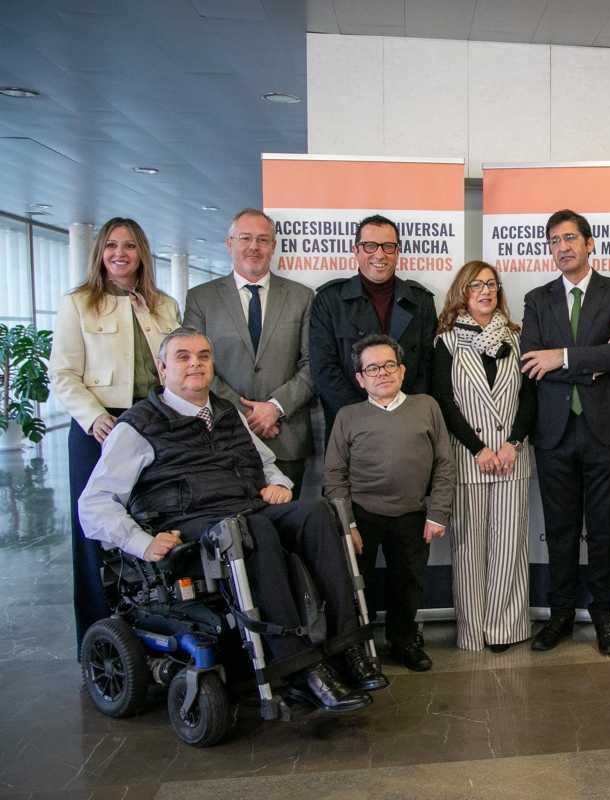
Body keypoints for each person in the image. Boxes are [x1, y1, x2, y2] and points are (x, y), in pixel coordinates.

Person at [78, 327, 386, 712]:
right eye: (184, 357)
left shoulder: (226, 414)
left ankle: (347, 647)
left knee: (317, 512)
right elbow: (94, 503)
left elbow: (267, 464)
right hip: (192, 525)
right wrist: (142, 542)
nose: (196, 364)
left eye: (203, 356)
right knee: (252, 529)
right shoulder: (137, 426)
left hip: (246, 511)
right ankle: (298, 669)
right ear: (162, 369)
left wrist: (278, 484)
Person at [49, 217, 181, 656]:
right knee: (95, 530)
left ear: (142, 252)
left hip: (151, 424)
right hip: (99, 428)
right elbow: (64, 374)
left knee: (151, 521)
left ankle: (149, 625)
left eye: (129, 246)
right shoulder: (79, 303)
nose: (119, 254)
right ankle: (97, 636)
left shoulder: (163, 305)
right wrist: (93, 418)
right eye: (111, 246)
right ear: (99, 253)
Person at [520, 209, 610, 656]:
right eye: (554, 240)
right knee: (560, 529)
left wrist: (565, 359)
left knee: (606, 529)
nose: (562, 247)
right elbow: (532, 362)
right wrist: (592, 364)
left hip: (607, 432)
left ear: (590, 243)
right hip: (554, 434)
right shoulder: (538, 299)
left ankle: (606, 616)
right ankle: (561, 615)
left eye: (570, 238)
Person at [323, 334, 455, 672]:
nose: (382, 373)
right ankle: (358, 651)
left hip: (413, 513)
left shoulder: (426, 406)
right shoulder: (347, 416)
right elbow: (334, 475)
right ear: (360, 378)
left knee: (408, 584)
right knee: (357, 586)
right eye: (372, 368)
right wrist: (347, 523)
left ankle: (404, 641)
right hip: (362, 516)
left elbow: (444, 463)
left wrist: (438, 513)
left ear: (402, 370)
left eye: (389, 365)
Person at [431, 262, 535, 653]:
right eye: (477, 285)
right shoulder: (446, 340)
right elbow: (444, 401)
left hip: (512, 456)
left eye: (491, 285)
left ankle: (505, 629)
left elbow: (529, 396)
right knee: (469, 549)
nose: (485, 291)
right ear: (462, 290)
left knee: (510, 547)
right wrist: (479, 448)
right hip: (468, 458)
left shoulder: (516, 336)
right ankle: (474, 631)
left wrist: (513, 443)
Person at [183, 209, 315, 493]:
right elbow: (195, 366)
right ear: (229, 243)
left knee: (288, 531)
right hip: (223, 435)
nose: (254, 247)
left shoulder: (302, 297)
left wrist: (275, 408)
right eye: (245, 238)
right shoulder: (201, 298)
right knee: (236, 532)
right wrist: (247, 414)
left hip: (286, 438)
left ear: (273, 246)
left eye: (262, 239)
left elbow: (312, 364)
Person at [309, 214, 437, 436]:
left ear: (397, 252)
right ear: (356, 251)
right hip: (351, 426)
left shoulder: (421, 301)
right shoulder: (330, 300)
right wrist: (367, 417)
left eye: (388, 246)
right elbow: (324, 370)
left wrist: (401, 413)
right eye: (370, 246)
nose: (379, 254)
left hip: (407, 425)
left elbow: (427, 368)